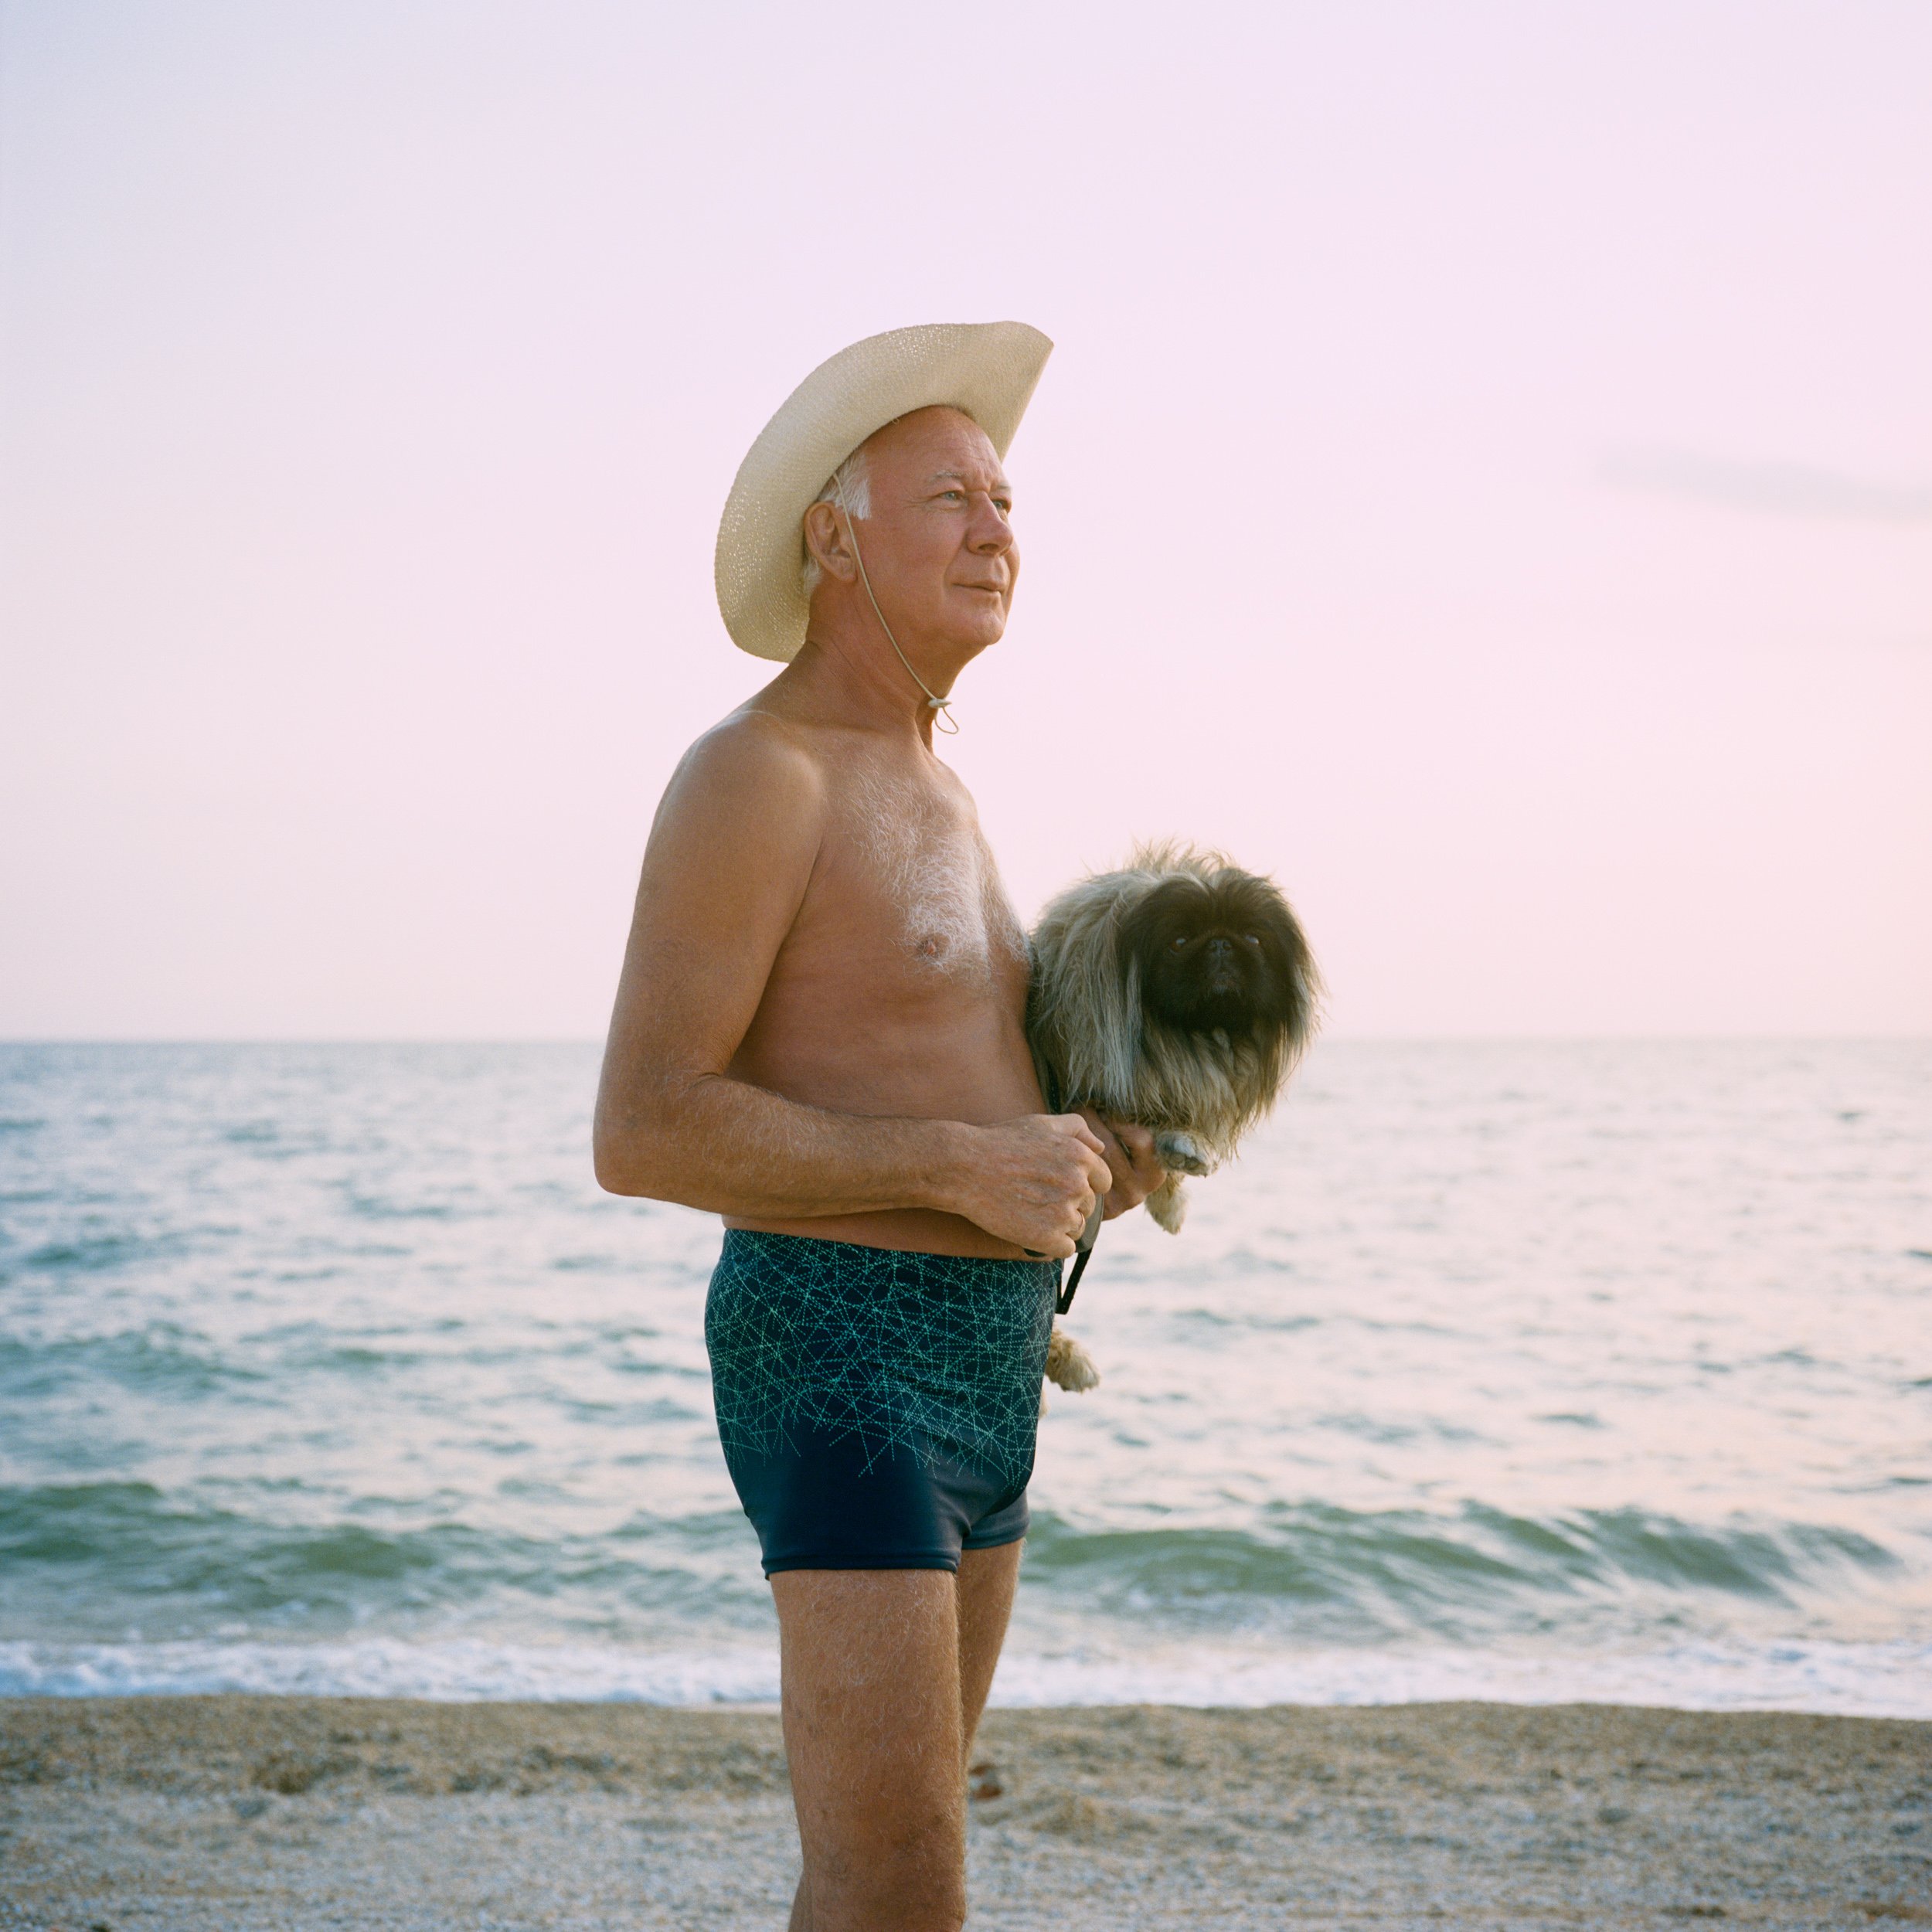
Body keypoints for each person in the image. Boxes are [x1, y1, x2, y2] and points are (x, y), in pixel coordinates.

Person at [594, 322, 1166, 1932]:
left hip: (986, 1371)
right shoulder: (754, 774)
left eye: (1005, 500)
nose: (997, 529)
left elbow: (936, 1081)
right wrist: (963, 1164)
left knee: (884, 1880)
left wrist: (1087, 1158)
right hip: (839, 1352)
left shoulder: (944, 787)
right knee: (900, 1884)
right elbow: (642, 1127)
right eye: (950, 497)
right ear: (835, 536)